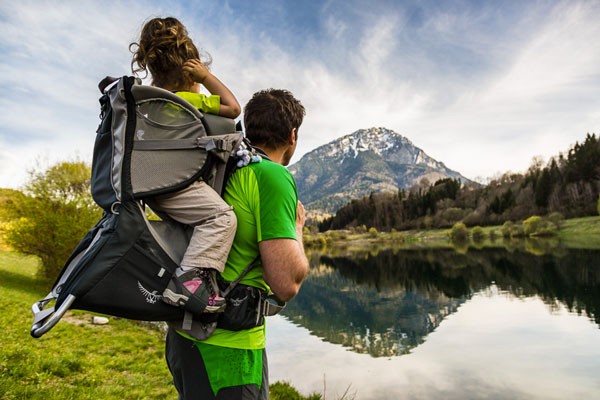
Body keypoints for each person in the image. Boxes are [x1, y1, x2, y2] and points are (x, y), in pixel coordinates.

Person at [165, 89, 310, 399]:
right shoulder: (272, 176)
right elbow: (286, 284)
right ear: (292, 135)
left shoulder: (223, 167)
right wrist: (298, 231)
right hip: (229, 347)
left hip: (184, 335)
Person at [130, 17, 242, 315]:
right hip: (176, 186)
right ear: (189, 74)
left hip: (148, 187)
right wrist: (206, 77)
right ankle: (187, 283)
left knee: (197, 226)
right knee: (222, 219)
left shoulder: (143, 103)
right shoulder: (187, 100)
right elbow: (233, 108)